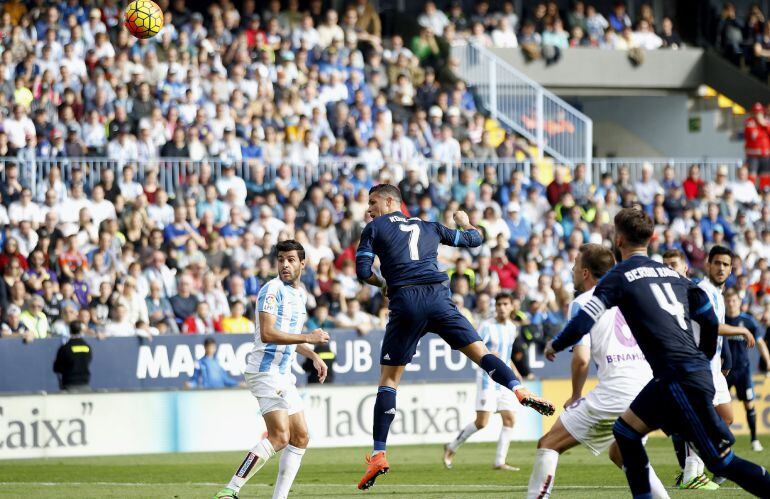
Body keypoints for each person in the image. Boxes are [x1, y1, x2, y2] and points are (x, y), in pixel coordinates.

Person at [545, 208, 770, 497]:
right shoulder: (672, 274)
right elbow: (709, 318)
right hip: (675, 375)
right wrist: (703, 356)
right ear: (651, 238)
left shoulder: (620, 275)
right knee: (625, 433)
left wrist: (556, 344)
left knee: (720, 461)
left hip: (678, 375)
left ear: (619, 239)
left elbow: (583, 320)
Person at [355, 184, 554, 491]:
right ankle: (518, 389)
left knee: (389, 380)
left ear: (390, 201)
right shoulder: (430, 226)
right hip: (439, 298)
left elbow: (362, 270)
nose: (368, 209)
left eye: (372, 202)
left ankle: (379, 453)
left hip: (405, 301)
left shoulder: (374, 227)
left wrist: (382, 283)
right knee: (481, 353)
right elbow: (475, 239)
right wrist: (463, 221)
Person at [528, 244, 667, 499]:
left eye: (575, 264)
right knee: (622, 453)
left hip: (617, 390)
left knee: (548, 444)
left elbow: (581, 359)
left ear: (585, 273)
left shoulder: (583, 302)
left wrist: (575, 394)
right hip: (649, 389)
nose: (571, 269)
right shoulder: (632, 296)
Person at [215, 240, 330, 499]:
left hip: (282, 374)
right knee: (279, 436)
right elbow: (268, 333)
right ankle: (229, 490)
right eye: (281, 259)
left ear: (303, 264)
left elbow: (288, 335)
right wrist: (309, 338)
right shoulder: (271, 290)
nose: (285, 264)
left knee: (300, 437)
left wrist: (312, 355)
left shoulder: (298, 296)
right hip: (265, 372)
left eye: (290, 260)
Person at [664, 246, 757, 488]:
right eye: (717, 263)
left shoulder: (718, 293)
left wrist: (724, 357)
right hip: (699, 367)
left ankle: (703, 466)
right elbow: (712, 326)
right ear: (708, 265)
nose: (721, 268)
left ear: (731, 269)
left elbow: (716, 331)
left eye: (726, 264)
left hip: (713, 368)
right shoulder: (703, 290)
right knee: (702, 421)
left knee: (725, 418)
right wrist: (742, 329)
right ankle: (693, 473)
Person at [444, 292, 525, 471]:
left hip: (505, 382)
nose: (502, 308)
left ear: (512, 307)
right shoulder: (487, 326)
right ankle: (451, 447)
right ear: (495, 307)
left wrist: (515, 371)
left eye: (505, 304)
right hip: (487, 380)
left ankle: (499, 461)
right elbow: (476, 347)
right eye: (499, 305)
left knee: (510, 419)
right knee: (481, 422)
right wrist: (489, 354)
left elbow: (507, 354)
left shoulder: (512, 328)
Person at [724, 288, 769, 452]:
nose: (731, 303)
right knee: (721, 407)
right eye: (728, 301)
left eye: (734, 300)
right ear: (725, 302)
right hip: (724, 372)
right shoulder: (720, 319)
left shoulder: (748, 321)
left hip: (743, 371)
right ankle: (723, 441)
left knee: (749, 404)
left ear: (739, 302)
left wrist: (768, 360)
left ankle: (754, 439)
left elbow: (760, 343)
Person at [53, 321, 92, 392]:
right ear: (80, 330)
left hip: (69, 385)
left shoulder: (65, 348)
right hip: (85, 384)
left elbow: (56, 368)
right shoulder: (87, 347)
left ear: (69, 330)